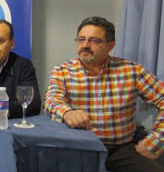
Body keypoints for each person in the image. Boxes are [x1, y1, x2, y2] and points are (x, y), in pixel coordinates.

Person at [44, 16, 164, 172]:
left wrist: (156, 140)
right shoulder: (63, 71)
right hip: (79, 148)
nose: (85, 45)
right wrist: (67, 112)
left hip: (121, 149)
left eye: (94, 41)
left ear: (110, 46)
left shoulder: (133, 71)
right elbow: (51, 100)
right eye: (81, 39)